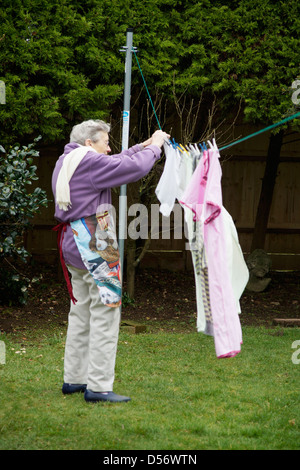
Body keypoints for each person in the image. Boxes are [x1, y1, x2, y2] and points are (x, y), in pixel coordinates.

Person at [51, 119, 169, 403]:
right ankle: (99, 387)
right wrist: (155, 148)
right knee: (105, 313)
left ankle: (74, 379)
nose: (109, 148)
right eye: (105, 142)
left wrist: (141, 145)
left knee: (80, 314)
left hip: (72, 243)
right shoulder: (89, 163)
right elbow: (132, 169)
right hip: (95, 242)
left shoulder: (68, 159)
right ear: (89, 143)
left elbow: (115, 160)